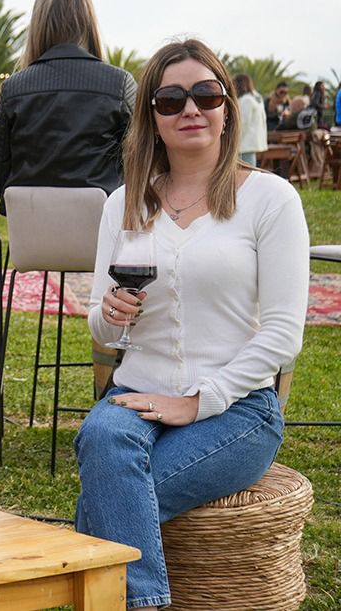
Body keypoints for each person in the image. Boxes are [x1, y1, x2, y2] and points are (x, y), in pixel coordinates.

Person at [77, 39, 308, 611]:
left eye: (206, 95)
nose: (190, 109)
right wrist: (110, 315)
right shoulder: (123, 203)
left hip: (239, 408)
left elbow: (283, 333)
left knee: (108, 499)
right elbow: (102, 330)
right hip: (134, 394)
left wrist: (198, 401)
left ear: (227, 108)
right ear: (151, 118)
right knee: (103, 436)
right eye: (170, 99)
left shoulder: (270, 199)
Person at [0, 0, 136, 215]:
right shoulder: (120, 84)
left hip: (31, 230)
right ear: (89, 24)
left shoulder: (12, 89)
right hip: (103, 229)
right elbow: (143, 164)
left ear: (37, 26)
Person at [234, 73, 266, 167]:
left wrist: (234, 139)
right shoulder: (257, 98)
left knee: (246, 170)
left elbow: (243, 123)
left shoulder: (246, 100)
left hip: (245, 142)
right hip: (252, 141)